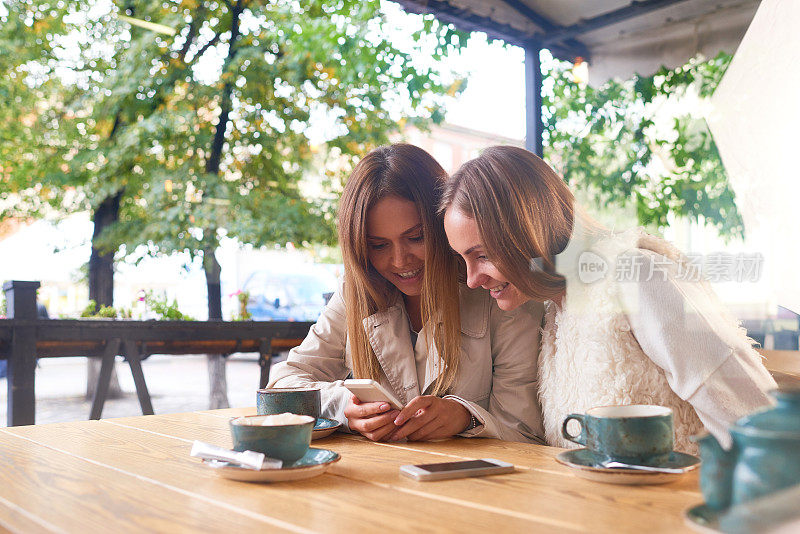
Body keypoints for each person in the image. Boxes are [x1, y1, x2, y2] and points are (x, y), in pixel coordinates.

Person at [441, 145, 776, 453]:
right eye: (463, 260)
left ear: (528, 231)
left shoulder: (638, 276)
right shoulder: (558, 308)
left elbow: (757, 420)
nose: (472, 280)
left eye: (482, 255)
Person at [269, 143, 545, 443]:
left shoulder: (497, 290)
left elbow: (525, 432)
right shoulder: (356, 290)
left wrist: (466, 417)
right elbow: (282, 387)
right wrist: (344, 407)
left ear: (442, 225)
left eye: (416, 237)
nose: (400, 261)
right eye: (379, 245)